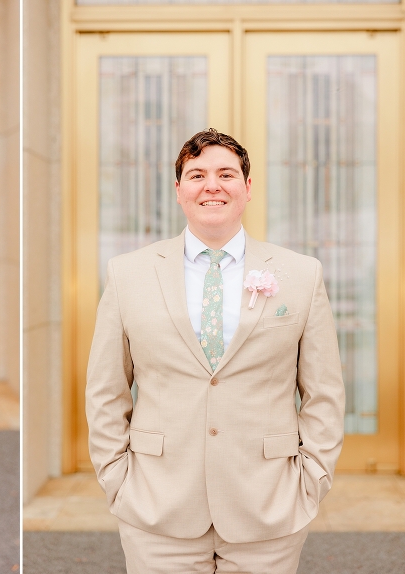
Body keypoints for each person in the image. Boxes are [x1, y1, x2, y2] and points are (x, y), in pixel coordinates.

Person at [86, 128, 345, 574]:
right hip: (156, 505)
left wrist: (311, 480)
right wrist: (117, 479)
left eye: (226, 174)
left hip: (269, 505)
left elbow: (324, 392)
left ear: (247, 187)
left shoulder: (301, 274)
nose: (212, 185)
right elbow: (106, 389)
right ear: (179, 189)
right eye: (197, 174)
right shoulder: (128, 274)